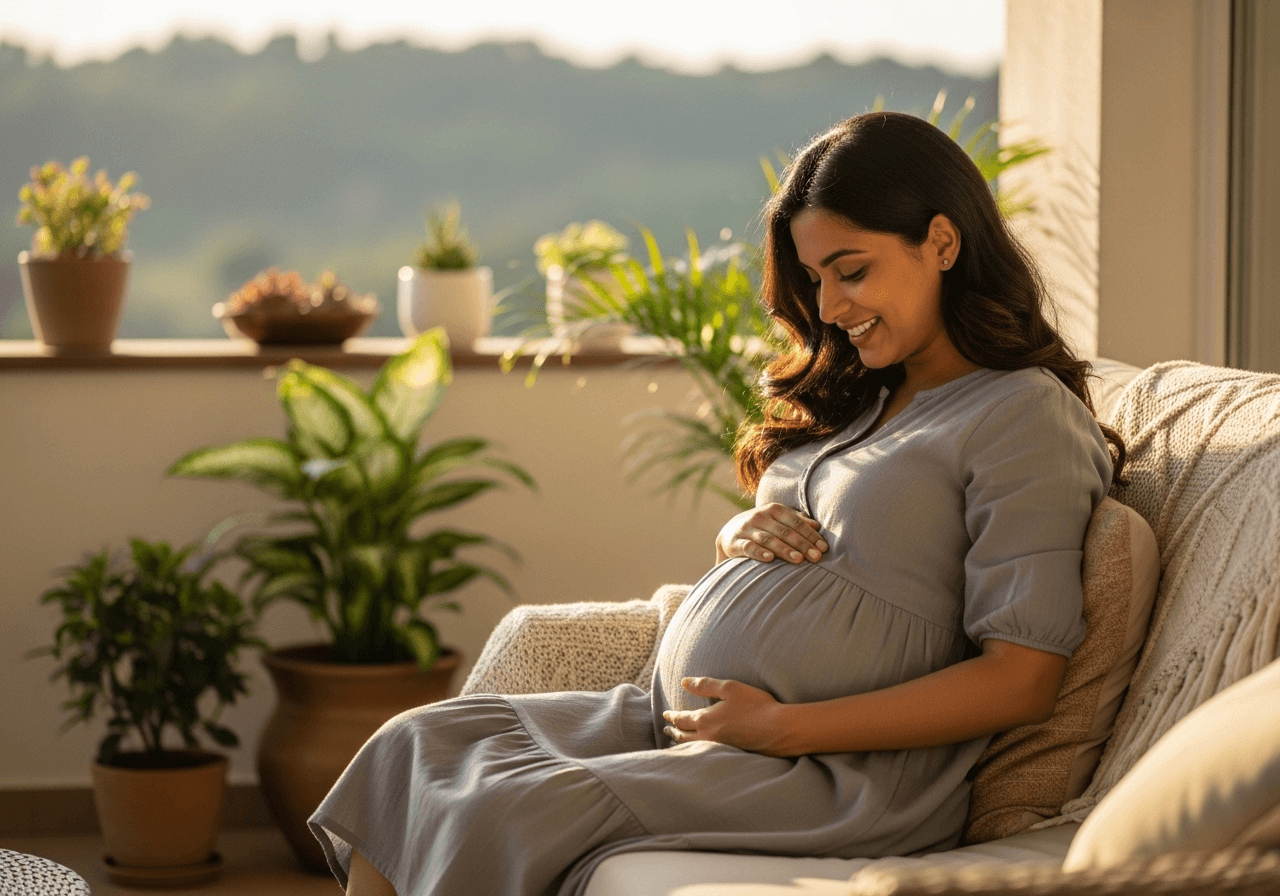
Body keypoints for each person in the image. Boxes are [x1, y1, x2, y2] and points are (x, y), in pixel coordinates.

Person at [310, 111, 1125, 896]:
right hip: (687, 726)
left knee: (501, 808)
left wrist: (785, 729)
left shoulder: (1020, 416)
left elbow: (1021, 680)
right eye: (815, 280)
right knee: (413, 745)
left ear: (941, 242)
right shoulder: (872, 396)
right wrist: (740, 534)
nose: (833, 308)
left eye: (852, 269)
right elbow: (839, 540)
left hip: (827, 772)